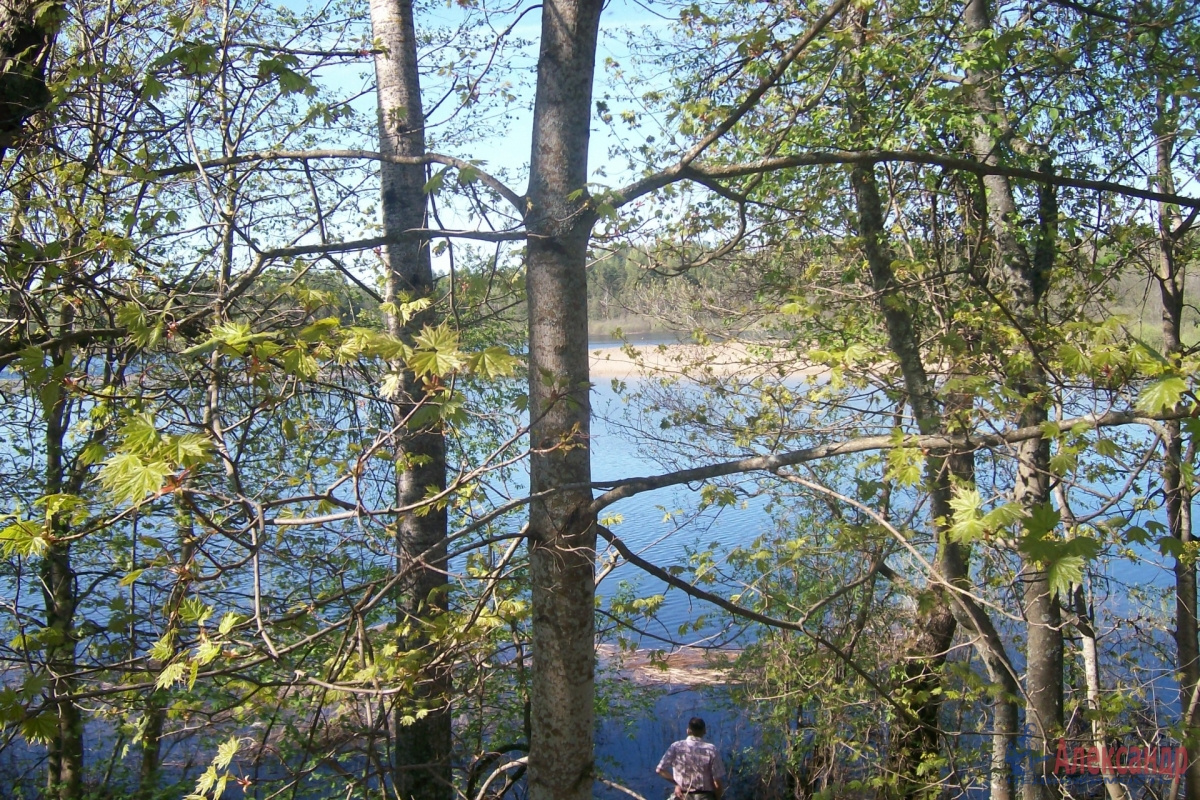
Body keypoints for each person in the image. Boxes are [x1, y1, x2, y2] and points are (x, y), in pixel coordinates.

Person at [655, 716, 726, 800]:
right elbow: (717, 782)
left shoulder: (676, 747)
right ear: (704, 731)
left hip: (682, 796)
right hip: (705, 796)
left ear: (688, 731)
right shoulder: (711, 750)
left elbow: (660, 770)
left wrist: (677, 784)